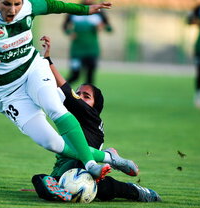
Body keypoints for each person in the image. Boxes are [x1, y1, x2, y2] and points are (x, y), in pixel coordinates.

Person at [0, 0, 135, 181]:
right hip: (6, 92)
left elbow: (54, 5)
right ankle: (108, 158)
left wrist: (85, 10)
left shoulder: (28, 7)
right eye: (6, 4)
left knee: (54, 106)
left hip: (32, 69)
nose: (13, 10)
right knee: (50, 142)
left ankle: (90, 164)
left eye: (17, 3)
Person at [31, 36, 160, 202]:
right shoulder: (74, 115)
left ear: (95, 106)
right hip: (64, 169)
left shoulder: (90, 115)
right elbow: (56, 89)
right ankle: (58, 187)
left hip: (82, 166)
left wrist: (47, 60)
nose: (80, 97)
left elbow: (64, 88)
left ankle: (136, 190)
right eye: (79, 93)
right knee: (39, 179)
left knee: (104, 188)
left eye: (87, 96)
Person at [63, 0, 112, 84]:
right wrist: (70, 32)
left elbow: (109, 28)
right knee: (74, 75)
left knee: (90, 78)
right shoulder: (76, 9)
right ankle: (59, 91)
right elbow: (65, 26)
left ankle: (86, 98)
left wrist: (102, 26)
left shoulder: (98, 11)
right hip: (77, 50)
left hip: (91, 50)